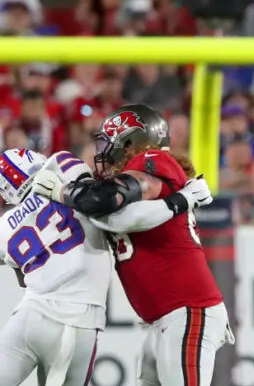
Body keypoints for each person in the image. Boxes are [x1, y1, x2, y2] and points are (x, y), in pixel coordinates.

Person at [31, 104, 234, 386]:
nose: (101, 152)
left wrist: (63, 191)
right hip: (166, 318)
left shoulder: (152, 160)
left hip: (188, 309)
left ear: (129, 142)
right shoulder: (146, 186)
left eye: (108, 143)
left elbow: (101, 201)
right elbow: (115, 217)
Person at [0, 147, 213, 385]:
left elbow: (22, 277)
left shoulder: (4, 225)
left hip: (28, 314)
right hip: (77, 319)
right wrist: (182, 198)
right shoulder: (63, 164)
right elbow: (98, 202)